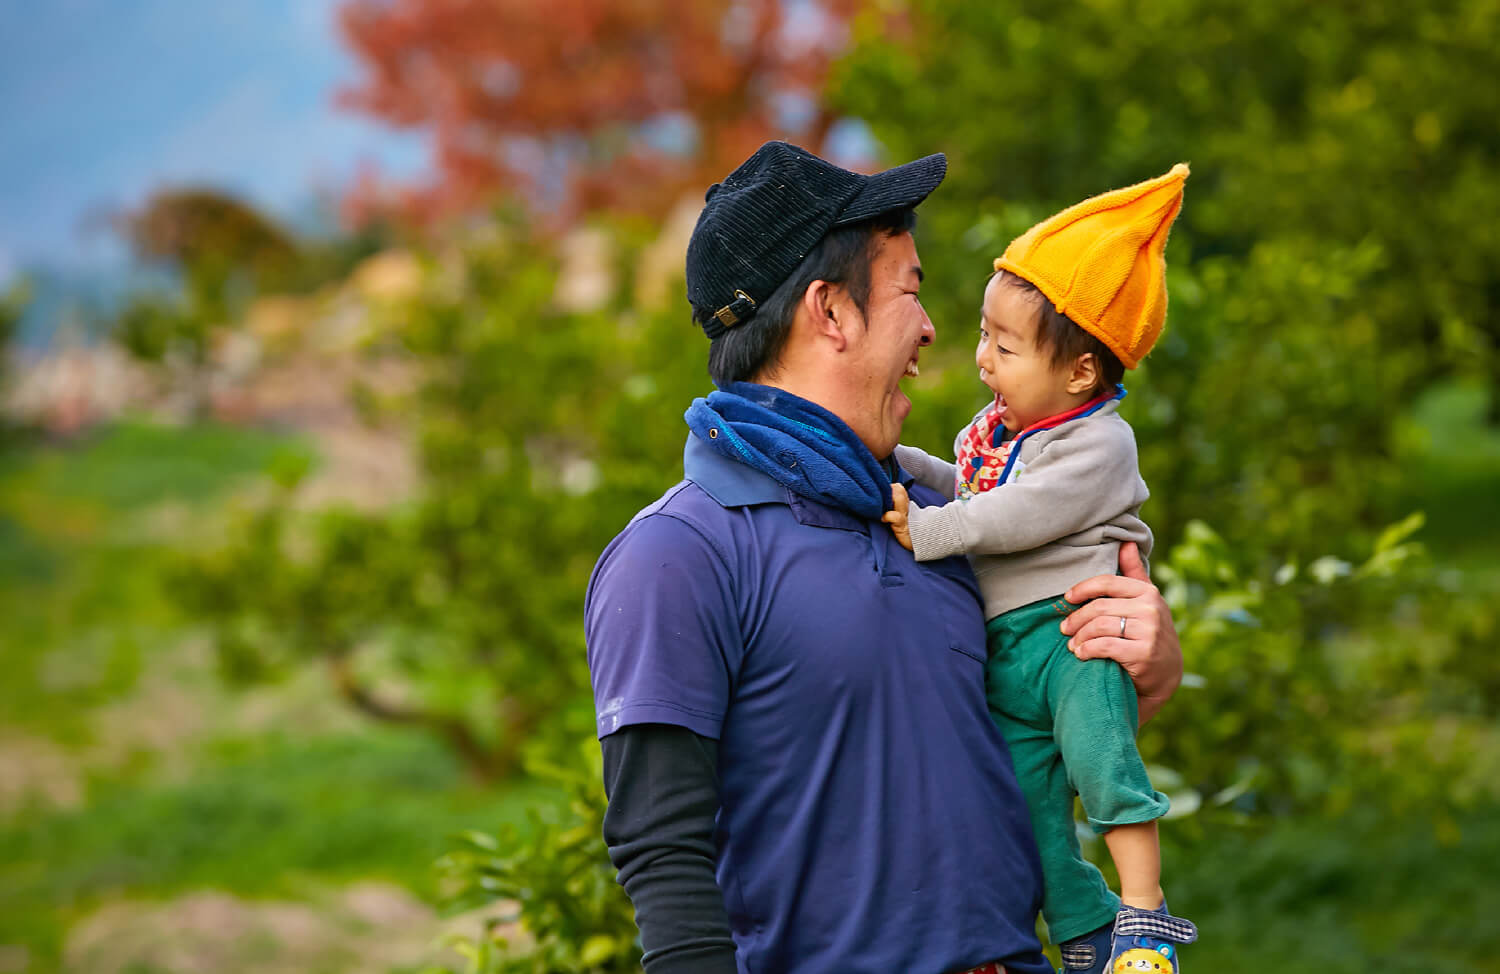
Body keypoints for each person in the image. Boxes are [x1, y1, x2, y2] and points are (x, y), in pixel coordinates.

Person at [584, 141, 1183, 974]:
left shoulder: (944, 516)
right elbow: (662, 851)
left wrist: (1143, 667)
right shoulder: (678, 553)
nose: (933, 331)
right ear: (830, 312)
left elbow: (1032, 729)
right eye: (911, 289)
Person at [883, 166, 1199, 974]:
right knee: (1028, 811)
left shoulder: (1099, 444)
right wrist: (896, 462)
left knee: (1104, 769)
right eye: (984, 335)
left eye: (1005, 345)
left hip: (1074, 638)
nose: (982, 358)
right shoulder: (1005, 434)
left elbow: (1015, 514)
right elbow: (980, 491)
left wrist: (930, 528)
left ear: (1081, 373)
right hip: (1011, 656)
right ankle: (1085, 927)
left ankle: (1145, 912)